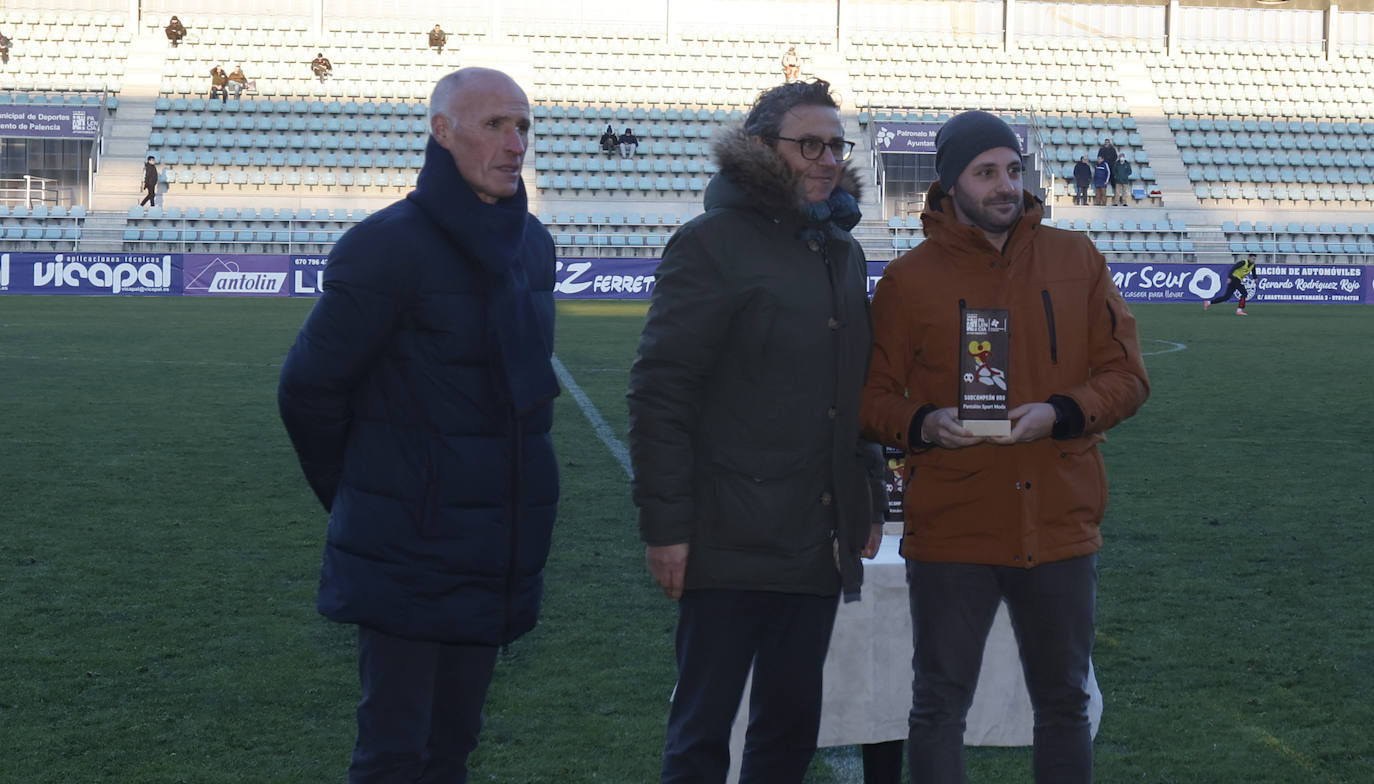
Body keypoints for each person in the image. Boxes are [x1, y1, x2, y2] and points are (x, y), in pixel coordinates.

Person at [278, 67, 559, 784]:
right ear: (442, 132)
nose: (515, 141)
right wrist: (366, 496)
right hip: (406, 552)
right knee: (394, 756)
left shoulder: (532, 246)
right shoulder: (384, 245)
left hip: (494, 550)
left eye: (522, 124)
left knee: (453, 749)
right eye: (495, 124)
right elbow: (309, 390)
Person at [860, 110, 1150, 783]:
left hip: (1058, 520)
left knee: (1063, 704)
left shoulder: (1076, 258)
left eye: (1013, 170)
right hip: (953, 528)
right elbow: (871, 401)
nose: (1004, 186)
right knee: (937, 706)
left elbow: (1128, 377)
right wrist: (925, 424)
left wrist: (1063, 411)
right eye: (984, 172)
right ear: (950, 184)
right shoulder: (907, 281)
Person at [628, 78, 884, 784]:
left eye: (836, 144)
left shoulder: (841, 249)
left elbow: (851, 387)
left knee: (790, 728)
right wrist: (666, 527)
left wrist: (867, 489)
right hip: (725, 538)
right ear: (762, 150)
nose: (827, 158)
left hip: (815, 538)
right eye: (810, 144)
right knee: (704, 731)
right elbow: (661, 391)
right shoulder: (710, 244)